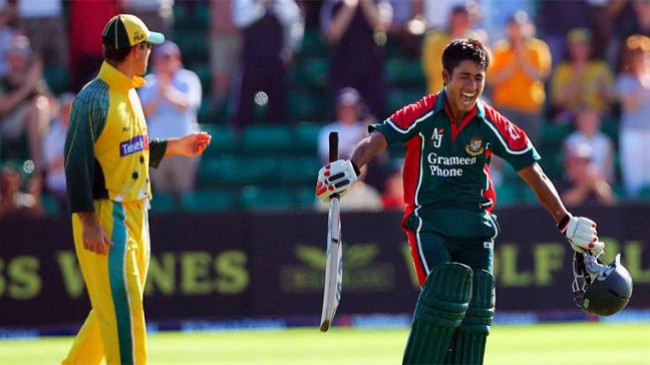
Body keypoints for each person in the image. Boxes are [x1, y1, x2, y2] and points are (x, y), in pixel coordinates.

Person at [315, 39, 604, 364]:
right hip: (430, 226)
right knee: (444, 296)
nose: (472, 86)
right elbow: (380, 137)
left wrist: (566, 221)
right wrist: (351, 167)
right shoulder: (424, 112)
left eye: (479, 77)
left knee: (477, 313)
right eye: (464, 76)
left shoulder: (490, 121)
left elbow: (531, 170)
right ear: (445, 76)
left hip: (477, 230)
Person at [61, 15, 211, 365]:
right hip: (107, 214)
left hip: (135, 213)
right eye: (147, 46)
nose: (150, 53)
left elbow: (132, 146)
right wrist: (88, 221)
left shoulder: (129, 90)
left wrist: (176, 146)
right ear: (135, 50)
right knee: (125, 312)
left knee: (111, 311)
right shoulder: (93, 98)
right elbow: (75, 163)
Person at [139, 41, 202, 195]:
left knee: (185, 194)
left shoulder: (188, 79)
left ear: (177, 58)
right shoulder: (149, 82)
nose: (164, 62)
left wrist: (166, 90)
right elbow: (144, 112)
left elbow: (187, 105)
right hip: (158, 150)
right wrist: (159, 92)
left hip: (184, 148)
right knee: (161, 194)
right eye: (160, 58)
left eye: (167, 58)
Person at [232, 0, 304, 128]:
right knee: (242, 116)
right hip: (251, 62)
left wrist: (291, 48)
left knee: (279, 111)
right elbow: (240, 20)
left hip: (277, 62)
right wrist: (262, 4)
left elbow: (294, 21)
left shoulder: (285, 3)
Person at [321, 0, 392, 120]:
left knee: (373, 119)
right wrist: (349, 5)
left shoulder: (380, 3)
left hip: (372, 72)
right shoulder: (333, 4)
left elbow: (382, 25)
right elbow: (332, 35)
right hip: (343, 72)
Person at [488, 11, 551, 145]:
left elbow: (539, 77)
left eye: (520, 26)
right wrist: (514, 62)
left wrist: (523, 57)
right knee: (505, 147)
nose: (517, 31)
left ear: (530, 27)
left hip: (531, 108)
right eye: (513, 26)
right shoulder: (500, 49)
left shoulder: (538, 48)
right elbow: (493, 79)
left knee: (530, 149)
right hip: (506, 108)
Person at [0, 35, 51, 166]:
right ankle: (38, 165)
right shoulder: (3, 80)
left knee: (41, 105)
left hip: (39, 125)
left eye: (21, 56)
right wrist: (27, 88)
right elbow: (3, 107)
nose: (18, 59)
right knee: (36, 108)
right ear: (8, 57)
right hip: (7, 125)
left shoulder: (36, 81)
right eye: (15, 55)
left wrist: (37, 85)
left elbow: (54, 106)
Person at [550, 28, 615, 121]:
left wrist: (602, 90)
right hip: (571, 114)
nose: (579, 49)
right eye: (575, 46)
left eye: (582, 45)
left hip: (597, 114)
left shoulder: (600, 68)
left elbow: (612, 98)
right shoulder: (563, 69)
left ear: (590, 47)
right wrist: (575, 79)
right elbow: (557, 100)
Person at [615, 34, 650, 198]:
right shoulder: (624, 81)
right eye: (637, 56)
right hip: (632, 134)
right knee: (634, 181)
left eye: (644, 55)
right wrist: (644, 84)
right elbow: (631, 105)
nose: (642, 59)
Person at [422, 5, 485, 95]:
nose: (463, 22)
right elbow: (431, 69)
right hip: (441, 94)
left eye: (466, 19)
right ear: (451, 19)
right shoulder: (434, 39)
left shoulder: (475, 39)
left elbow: (483, 69)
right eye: (460, 18)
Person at [563, 108, 614, 183]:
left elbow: (608, 170)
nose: (588, 122)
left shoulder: (605, 141)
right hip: (577, 183)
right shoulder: (571, 140)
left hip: (600, 182)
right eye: (585, 119)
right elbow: (570, 170)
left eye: (591, 119)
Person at [43, 93, 75, 210]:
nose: (69, 114)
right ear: (60, 113)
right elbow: (53, 164)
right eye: (66, 110)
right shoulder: (52, 135)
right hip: (59, 188)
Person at [560, 143, 615, 207]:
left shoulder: (598, 183)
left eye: (584, 162)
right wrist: (585, 186)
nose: (580, 166)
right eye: (576, 163)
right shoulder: (565, 184)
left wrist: (599, 187)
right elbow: (565, 203)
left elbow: (612, 203)